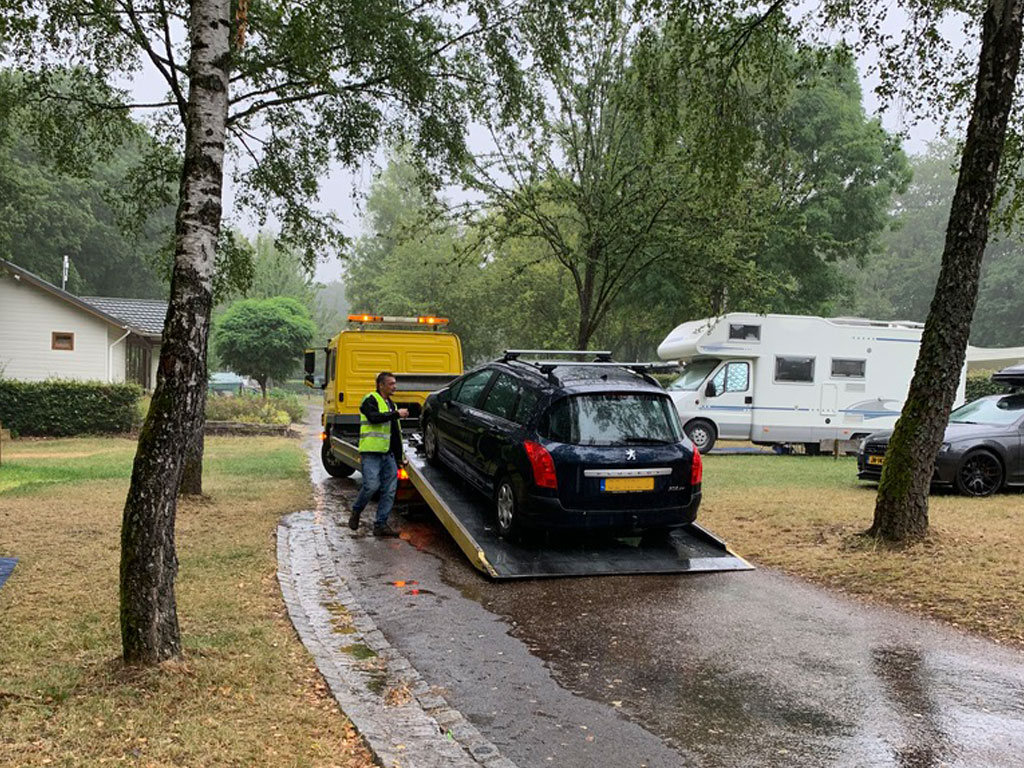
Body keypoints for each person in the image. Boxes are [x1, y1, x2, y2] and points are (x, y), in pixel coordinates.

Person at [348, 371, 409, 537]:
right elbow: (374, 418)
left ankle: (380, 525)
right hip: (371, 453)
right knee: (371, 486)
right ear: (381, 385)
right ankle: (356, 511)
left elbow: (395, 433)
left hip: (387, 454)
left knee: (389, 490)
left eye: (394, 383)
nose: (394, 387)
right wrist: (396, 414)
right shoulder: (370, 400)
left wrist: (399, 457)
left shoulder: (391, 404)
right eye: (391, 384)